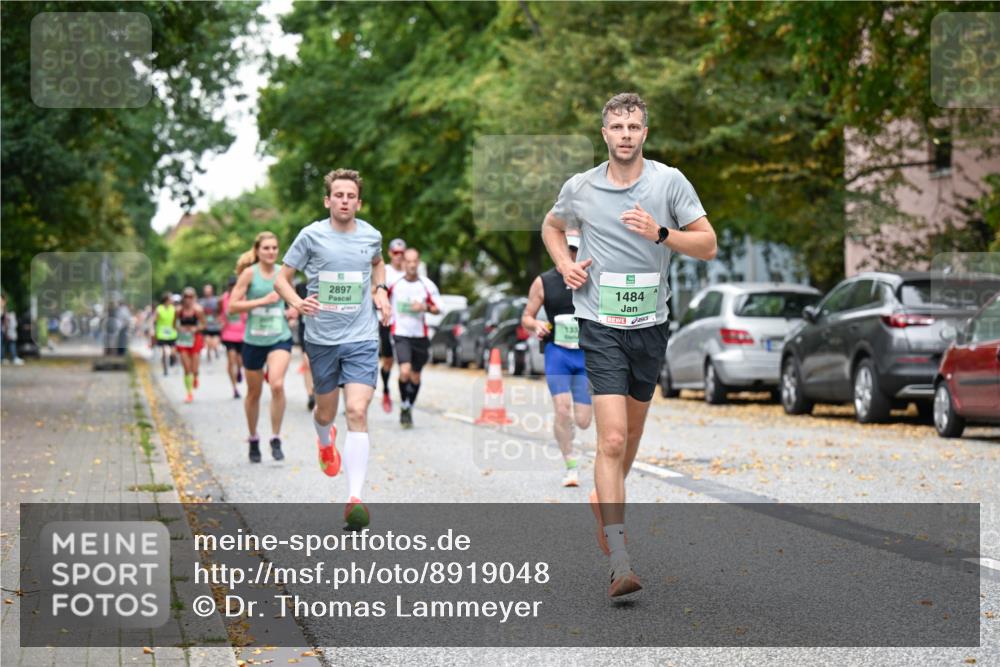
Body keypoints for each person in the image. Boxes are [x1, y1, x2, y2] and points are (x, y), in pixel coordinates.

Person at [541, 92, 717, 599]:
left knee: (631, 437)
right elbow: (553, 227)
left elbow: (708, 245)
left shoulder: (669, 182)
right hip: (598, 322)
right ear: (604, 134)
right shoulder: (581, 187)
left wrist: (661, 233)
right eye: (616, 126)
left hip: (650, 325)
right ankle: (619, 558)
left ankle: (605, 491)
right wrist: (564, 265)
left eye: (633, 126)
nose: (625, 134)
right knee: (611, 439)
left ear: (645, 132)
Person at [275, 168, 391, 531]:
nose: (344, 201)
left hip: (361, 336)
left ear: (359, 201)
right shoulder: (311, 235)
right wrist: (296, 301)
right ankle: (325, 440)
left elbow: (377, 264)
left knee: (357, 409)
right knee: (326, 412)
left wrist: (381, 291)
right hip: (322, 338)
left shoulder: (371, 235)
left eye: (350, 196)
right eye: (338, 195)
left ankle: (354, 498)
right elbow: (282, 278)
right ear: (328, 200)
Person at [521, 231, 591, 487]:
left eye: (575, 250)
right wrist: (536, 324)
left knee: (583, 421)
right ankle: (570, 465)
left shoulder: (590, 277)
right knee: (562, 411)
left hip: (584, 354)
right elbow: (526, 316)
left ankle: (576, 442)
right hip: (557, 353)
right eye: (567, 250)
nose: (571, 255)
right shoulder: (544, 282)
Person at [229, 232, 296, 463]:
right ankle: (253, 437)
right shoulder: (249, 274)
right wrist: (261, 301)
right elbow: (232, 306)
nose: (271, 252)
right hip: (254, 340)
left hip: (280, 336)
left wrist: (294, 310)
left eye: (275, 248)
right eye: (266, 248)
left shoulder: (284, 272)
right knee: (254, 393)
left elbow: (292, 299)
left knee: (277, 384)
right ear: (257, 250)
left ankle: (276, 437)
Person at [387, 248, 440, 428]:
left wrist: (424, 307)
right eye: (407, 261)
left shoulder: (427, 285)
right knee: (404, 371)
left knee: (416, 376)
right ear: (403, 263)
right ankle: (404, 404)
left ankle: (409, 405)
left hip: (420, 335)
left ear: (418, 263)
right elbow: (381, 300)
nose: (410, 265)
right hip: (400, 334)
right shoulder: (395, 284)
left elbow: (438, 308)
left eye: (414, 261)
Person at [378, 238, 407, 413]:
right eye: (395, 253)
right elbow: (374, 291)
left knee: (405, 365)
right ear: (390, 254)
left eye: (401, 253)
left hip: (404, 324)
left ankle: (405, 401)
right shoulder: (385, 272)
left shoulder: (410, 273)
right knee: (388, 360)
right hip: (387, 322)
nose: (399, 256)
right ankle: (386, 390)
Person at [173, 287, 207, 403]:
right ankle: (189, 393)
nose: (188, 300)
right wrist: (180, 328)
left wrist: (195, 328)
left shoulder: (198, 310)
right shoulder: (178, 310)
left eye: (191, 297)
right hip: (183, 340)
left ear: (194, 298)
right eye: (186, 297)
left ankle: (196, 376)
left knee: (194, 368)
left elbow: (204, 325)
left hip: (195, 339)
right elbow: (174, 325)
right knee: (187, 368)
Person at [220, 275, 246, 399]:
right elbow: (220, 313)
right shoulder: (223, 299)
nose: (233, 289)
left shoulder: (244, 298)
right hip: (228, 334)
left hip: (242, 334)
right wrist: (221, 322)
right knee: (231, 360)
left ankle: (239, 371)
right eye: (231, 287)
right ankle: (234, 388)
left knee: (240, 361)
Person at [294, 277, 317, 411]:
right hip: (306, 328)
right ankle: (310, 395)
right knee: (307, 362)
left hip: (326, 330)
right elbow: (294, 306)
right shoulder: (301, 287)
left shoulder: (329, 283)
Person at [153, 292, 178, 375]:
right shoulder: (159, 309)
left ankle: (172, 359)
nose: (172, 300)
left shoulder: (173, 309)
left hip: (172, 333)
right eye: (171, 299)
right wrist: (153, 331)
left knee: (173, 352)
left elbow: (175, 321)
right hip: (161, 333)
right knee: (164, 352)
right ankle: (165, 369)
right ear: (166, 299)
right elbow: (154, 320)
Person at [200, 283, 223, 363]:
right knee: (208, 342)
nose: (207, 292)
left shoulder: (217, 300)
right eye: (206, 290)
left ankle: (215, 349)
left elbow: (221, 311)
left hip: (215, 325)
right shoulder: (201, 302)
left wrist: (220, 319)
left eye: (209, 290)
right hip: (206, 325)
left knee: (214, 343)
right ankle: (209, 355)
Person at [1, 293, 24, 365]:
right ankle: (8, 358)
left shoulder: (5, 308)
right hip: (3, 329)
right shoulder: (2, 308)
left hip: (6, 329)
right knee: (4, 343)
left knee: (6, 343)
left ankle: (5, 358)